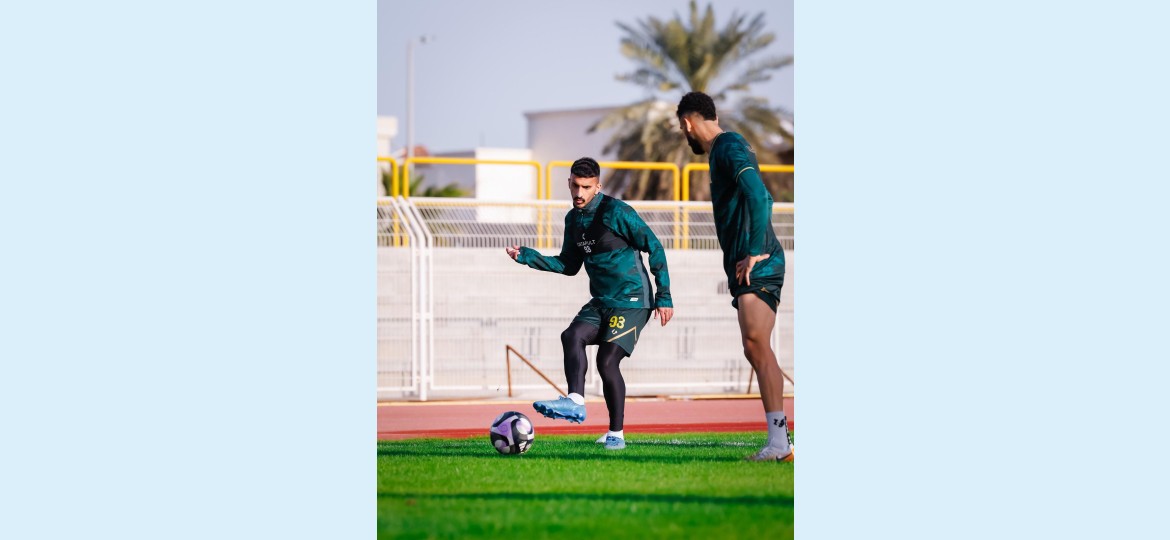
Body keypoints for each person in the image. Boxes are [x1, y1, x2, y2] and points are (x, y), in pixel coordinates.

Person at [506, 157, 674, 451]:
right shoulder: (572, 220)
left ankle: (616, 435)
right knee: (571, 336)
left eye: (586, 187)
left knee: (607, 361)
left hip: (633, 299)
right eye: (575, 186)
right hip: (601, 300)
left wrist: (664, 296)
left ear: (598, 186)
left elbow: (654, 246)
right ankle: (575, 401)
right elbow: (569, 265)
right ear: (568, 183)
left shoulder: (618, 212)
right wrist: (529, 257)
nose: (579, 193)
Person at [676, 91, 794, 462]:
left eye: (682, 129)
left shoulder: (727, 146)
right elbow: (761, 199)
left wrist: (755, 250)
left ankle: (780, 444)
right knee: (755, 346)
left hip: (758, 262)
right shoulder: (726, 149)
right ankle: (780, 442)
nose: (684, 135)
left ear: (687, 123)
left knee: (757, 343)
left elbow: (759, 195)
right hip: (752, 261)